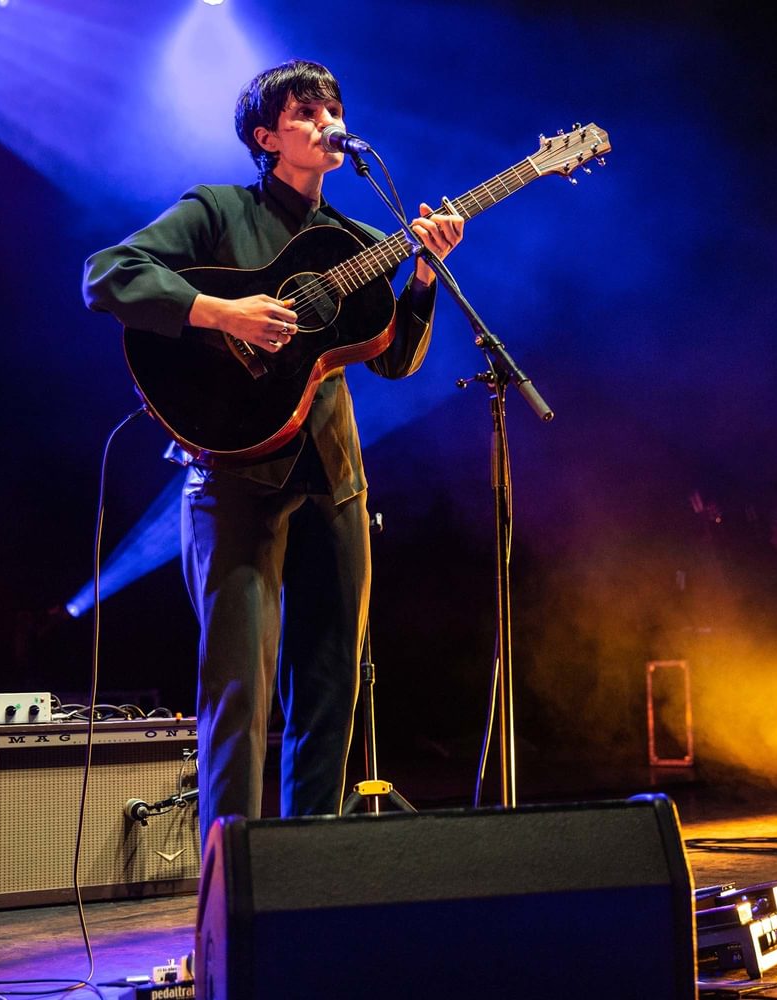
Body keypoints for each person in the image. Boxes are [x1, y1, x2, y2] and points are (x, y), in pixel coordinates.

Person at [82, 59, 465, 844]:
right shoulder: (217, 211)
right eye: (305, 111)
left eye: (334, 106)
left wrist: (423, 278)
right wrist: (222, 313)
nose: (328, 118)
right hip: (232, 476)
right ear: (266, 137)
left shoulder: (358, 240)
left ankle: (311, 876)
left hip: (333, 479)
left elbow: (392, 359)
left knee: (328, 691)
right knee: (239, 693)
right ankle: (235, 889)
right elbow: (106, 276)